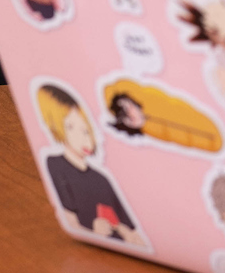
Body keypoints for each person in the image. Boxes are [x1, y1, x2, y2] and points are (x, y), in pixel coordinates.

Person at [34, 83, 145, 247]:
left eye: (86, 131)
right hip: (89, 250)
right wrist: (93, 230)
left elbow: (131, 228)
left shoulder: (102, 179)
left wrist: (124, 231)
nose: (84, 139)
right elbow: (71, 223)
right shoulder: (55, 165)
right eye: (71, 128)